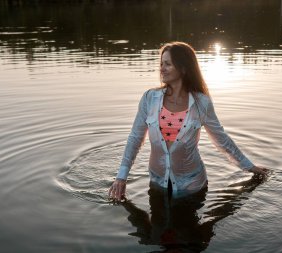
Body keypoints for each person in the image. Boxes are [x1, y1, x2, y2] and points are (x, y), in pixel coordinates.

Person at [109, 41, 268, 201]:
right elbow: (135, 138)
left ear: (184, 69)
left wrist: (249, 167)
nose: (161, 69)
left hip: (192, 185)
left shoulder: (201, 103)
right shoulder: (149, 98)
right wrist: (121, 177)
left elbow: (221, 139)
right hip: (157, 183)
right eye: (161, 63)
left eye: (168, 64)